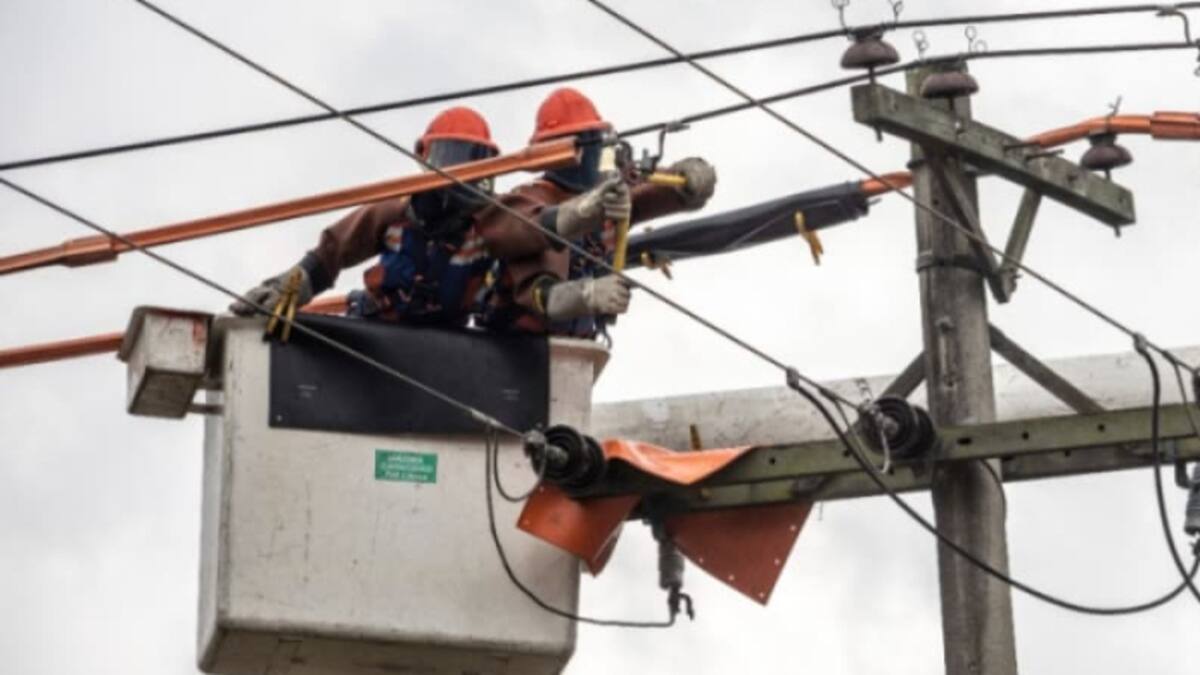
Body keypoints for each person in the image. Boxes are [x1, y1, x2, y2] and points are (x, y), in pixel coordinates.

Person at [473, 87, 717, 337]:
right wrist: (586, 294)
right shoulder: (531, 197)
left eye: (596, 142)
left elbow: (654, 190)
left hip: (578, 348)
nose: (592, 155)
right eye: (584, 144)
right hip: (514, 347)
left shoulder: (610, 192)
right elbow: (535, 273)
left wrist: (688, 179)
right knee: (542, 243)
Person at [230, 106, 500, 327]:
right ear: (426, 159)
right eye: (453, 156)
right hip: (381, 330)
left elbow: (526, 234)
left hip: (449, 344)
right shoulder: (396, 212)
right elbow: (331, 253)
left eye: (473, 160)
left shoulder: (491, 224)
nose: (461, 171)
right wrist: (286, 287)